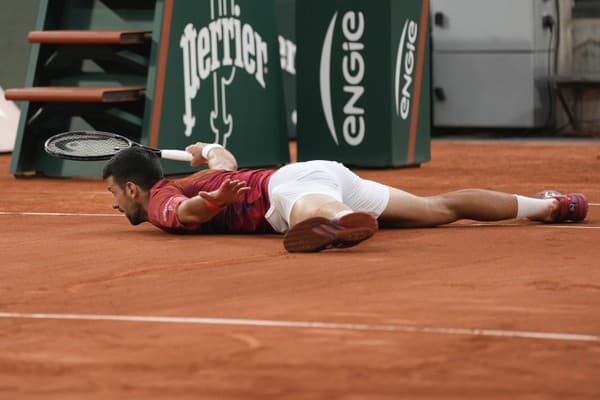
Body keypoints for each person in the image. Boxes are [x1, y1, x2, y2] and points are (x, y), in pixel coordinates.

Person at [102, 142, 588, 253]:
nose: (112, 205)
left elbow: (184, 212)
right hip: (314, 170)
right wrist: (206, 150)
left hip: (285, 191)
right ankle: (549, 205)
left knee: (307, 211)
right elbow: (225, 162)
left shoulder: (162, 201)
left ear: (132, 188)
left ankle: (340, 219)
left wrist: (212, 204)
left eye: (112, 194)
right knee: (440, 208)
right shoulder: (187, 179)